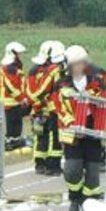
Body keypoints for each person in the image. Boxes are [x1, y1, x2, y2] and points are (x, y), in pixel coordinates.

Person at [53, 45, 106, 211]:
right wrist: (73, 124)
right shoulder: (61, 84)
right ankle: (75, 196)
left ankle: (88, 200)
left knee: (93, 171)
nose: (79, 66)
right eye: (75, 63)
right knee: (72, 168)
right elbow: (60, 107)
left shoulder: (97, 81)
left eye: (81, 63)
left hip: (92, 128)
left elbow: (104, 102)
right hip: (72, 132)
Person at [28, 40, 66, 176]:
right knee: (52, 137)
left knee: (42, 136)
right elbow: (41, 90)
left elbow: (35, 91)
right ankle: (51, 165)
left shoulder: (36, 70)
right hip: (52, 108)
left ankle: (41, 164)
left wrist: (34, 104)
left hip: (43, 107)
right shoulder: (57, 69)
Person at [27, 41, 54, 174]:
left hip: (48, 109)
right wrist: (38, 107)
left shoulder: (52, 69)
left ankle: (45, 163)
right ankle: (41, 163)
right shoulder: (35, 71)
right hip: (41, 109)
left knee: (47, 137)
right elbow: (32, 91)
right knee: (42, 137)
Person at [0, 41, 27, 149]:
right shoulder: (9, 68)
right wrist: (21, 98)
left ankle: (16, 141)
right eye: (18, 53)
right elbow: (11, 86)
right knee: (12, 124)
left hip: (15, 101)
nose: (20, 55)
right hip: (10, 101)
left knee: (17, 123)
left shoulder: (14, 67)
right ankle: (10, 142)